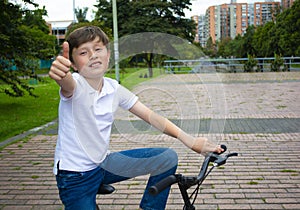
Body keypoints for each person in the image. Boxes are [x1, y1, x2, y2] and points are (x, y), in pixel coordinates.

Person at [49, 26, 223, 210]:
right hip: (75, 176)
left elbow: (151, 116)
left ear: (108, 55)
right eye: (84, 52)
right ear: (74, 64)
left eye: (98, 49)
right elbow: (67, 84)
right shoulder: (77, 85)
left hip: (102, 164)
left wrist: (191, 141)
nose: (93, 55)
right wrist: (61, 74)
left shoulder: (113, 88)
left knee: (166, 158)